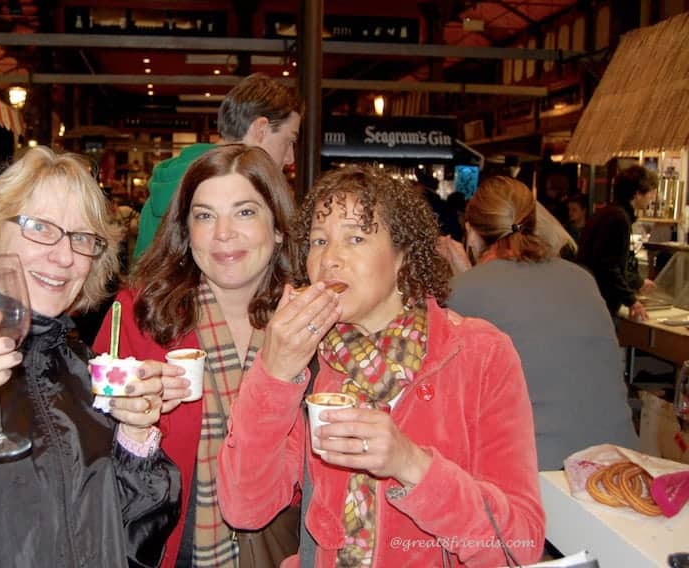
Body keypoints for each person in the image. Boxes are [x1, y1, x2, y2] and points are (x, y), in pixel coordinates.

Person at [217, 166, 545, 567]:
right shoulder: (311, 362)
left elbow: (519, 545)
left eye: (355, 238)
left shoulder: (479, 353)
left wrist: (412, 464)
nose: (329, 259)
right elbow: (245, 508)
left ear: (402, 255)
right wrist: (273, 372)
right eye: (318, 241)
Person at [0, 146, 180, 567]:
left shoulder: (86, 370)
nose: (64, 257)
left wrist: (136, 438)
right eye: (40, 227)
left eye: (82, 238)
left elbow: (132, 548)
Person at [94, 144, 298, 568]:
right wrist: (127, 419)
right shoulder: (138, 314)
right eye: (205, 216)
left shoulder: (311, 322)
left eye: (245, 212)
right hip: (173, 546)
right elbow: (89, 448)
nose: (223, 233)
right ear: (186, 231)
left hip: (287, 544)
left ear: (278, 226)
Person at [445, 176, 638, 470]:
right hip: (622, 465)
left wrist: (463, 279)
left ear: (471, 232)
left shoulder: (462, 292)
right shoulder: (581, 278)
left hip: (540, 476)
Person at [133, 73, 301, 259]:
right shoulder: (232, 190)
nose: (290, 158)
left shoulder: (167, 181)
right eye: (289, 141)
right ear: (260, 129)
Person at [577, 164, 658, 322]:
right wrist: (632, 301)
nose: (652, 197)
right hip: (600, 303)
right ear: (637, 194)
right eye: (650, 192)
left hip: (588, 297)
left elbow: (612, 262)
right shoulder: (618, 218)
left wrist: (637, 282)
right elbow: (608, 267)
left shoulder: (608, 212)